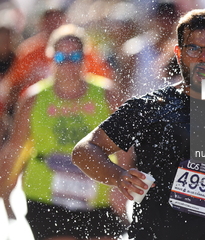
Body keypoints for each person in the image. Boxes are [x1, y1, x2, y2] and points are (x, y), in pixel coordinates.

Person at [72, 9, 205, 240]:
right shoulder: (151, 107)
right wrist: (117, 176)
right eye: (194, 49)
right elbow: (85, 150)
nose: (204, 57)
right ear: (179, 53)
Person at [0, 24, 128, 240]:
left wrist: (122, 185)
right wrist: (6, 191)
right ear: (50, 58)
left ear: (85, 57)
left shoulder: (107, 95)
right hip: (46, 196)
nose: (68, 63)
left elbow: (125, 146)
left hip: (100, 195)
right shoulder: (33, 98)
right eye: (61, 57)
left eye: (74, 56)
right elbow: (15, 147)